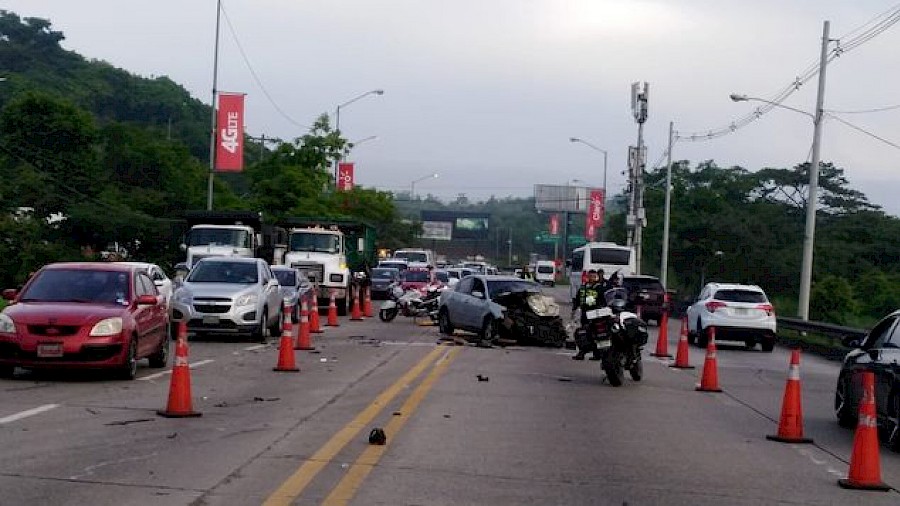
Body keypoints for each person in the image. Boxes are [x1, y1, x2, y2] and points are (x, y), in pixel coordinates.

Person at [571, 269, 604, 360]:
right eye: (590, 276)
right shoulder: (583, 287)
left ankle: (596, 354)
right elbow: (577, 299)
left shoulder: (599, 288)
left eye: (593, 276)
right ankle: (582, 352)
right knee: (583, 333)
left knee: (595, 334)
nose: (591, 278)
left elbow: (603, 300)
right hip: (585, 313)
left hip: (595, 314)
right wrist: (574, 310)